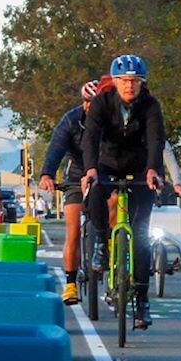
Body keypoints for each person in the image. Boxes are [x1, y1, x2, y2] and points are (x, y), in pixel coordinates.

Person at [81, 55, 168, 331]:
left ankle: (142, 302)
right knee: (95, 191)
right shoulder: (101, 104)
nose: (130, 86)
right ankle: (102, 244)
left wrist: (154, 170)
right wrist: (90, 169)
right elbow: (91, 138)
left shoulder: (150, 106)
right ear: (115, 82)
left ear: (142, 83)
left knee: (141, 236)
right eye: (125, 81)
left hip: (140, 169)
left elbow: (156, 139)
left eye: (135, 81)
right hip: (107, 165)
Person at [39, 77, 107, 305]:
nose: (92, 108)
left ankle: (110, 251)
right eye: (89, 103)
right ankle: (70, 284)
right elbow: (56, 148)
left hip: (106, 173)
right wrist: (47, 174)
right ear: (84, 103)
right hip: (78, 175)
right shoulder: (71, 120)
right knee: (73, 227)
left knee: (116, 206)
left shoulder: (113, 121)